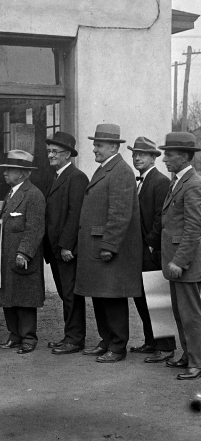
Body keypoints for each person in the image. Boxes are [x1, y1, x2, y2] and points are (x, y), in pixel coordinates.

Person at [75, 124, 142, 364]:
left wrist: (109, 246)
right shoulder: (106, 169)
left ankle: (117, 346)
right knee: (100, 296)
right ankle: (106, 340)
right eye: (94, 144)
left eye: (99, 145)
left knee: (112, 298)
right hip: (97, 248)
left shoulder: (120, 171)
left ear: (114, 147)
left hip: (106, 249)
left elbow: (120, 213)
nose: (94, 149)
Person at [128, 136, 177, 363]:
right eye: (135, 154)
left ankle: (166, 347)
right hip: (140, 250)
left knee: (157, 299)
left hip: (152, 251)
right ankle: (151, 341)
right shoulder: (141, 181)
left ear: (153, 158)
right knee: (142, 298)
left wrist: (150, 242)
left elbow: (161, 216)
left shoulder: (159, 181)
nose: (137, 158)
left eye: (143, 155)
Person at [0, 150, 46, 354]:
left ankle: (29, 338)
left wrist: (24, 252)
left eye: (10, 169)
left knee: (24, 300)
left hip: (22, 257)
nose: (5, 173)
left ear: (24, 173)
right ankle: (14, 335)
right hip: (7, 256)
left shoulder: (33, 195)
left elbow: (35, 228)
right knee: (9, 298)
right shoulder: (12, 193)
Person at [159, 132, 201, 380]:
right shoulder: (179, 181)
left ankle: (196, 361)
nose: (164, 159)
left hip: (186, 264)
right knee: (180, 312)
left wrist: (180, 261)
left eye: (169, 154)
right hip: (176, 261)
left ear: (184, 157)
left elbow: (194, 228)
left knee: (191, 314)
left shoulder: (193, 185)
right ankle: (188, 355)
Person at [43, 131, 89, 355]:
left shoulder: (77, 177)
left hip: (65, 250)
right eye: (49, 151)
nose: (50, 155)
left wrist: (67, 245)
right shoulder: (58, 176)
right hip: (56, 250)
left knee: (71, 296)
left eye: (55, 152)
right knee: (65, 295)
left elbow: (75, 214)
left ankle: (74, 339)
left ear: (68, 154)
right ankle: (69, 336)